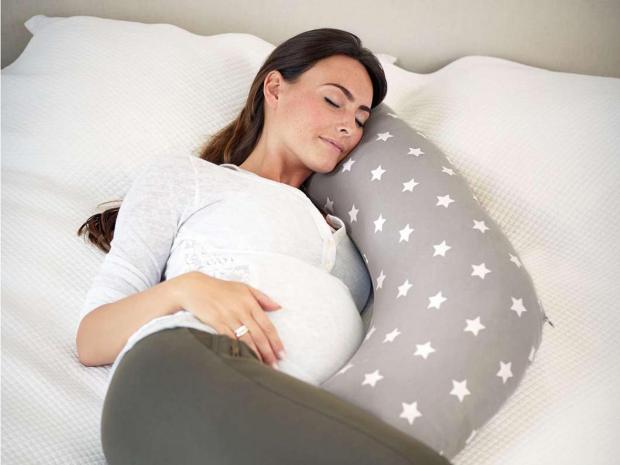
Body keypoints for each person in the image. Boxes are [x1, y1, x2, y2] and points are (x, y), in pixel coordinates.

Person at [76, 27, 452, 465]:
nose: (348, 126)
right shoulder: (190, 178)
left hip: (276, 413)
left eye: (361, 119)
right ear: (274, 88)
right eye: (334, 100)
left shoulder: (348, 232)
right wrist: (186, 288)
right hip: (178, 377)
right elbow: (92, 338)